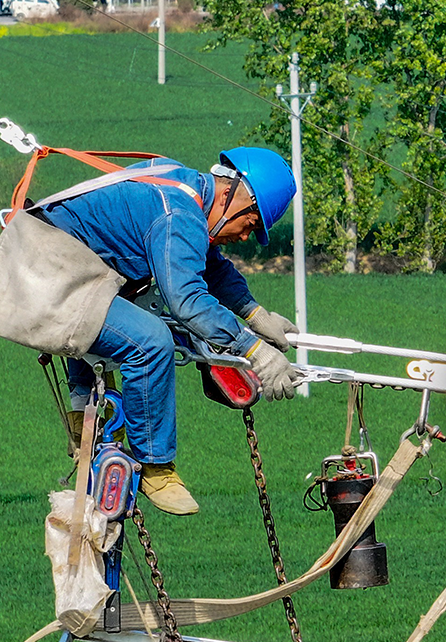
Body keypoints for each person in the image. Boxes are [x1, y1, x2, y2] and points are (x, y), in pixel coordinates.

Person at [43, 147, 301, 516]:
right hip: (49, 280)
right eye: (252, 223)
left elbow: (208, 264)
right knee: (151, 342)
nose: (246, 237)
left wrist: (256, 314)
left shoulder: (184, 189)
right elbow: (187, 300)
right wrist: (255, 351)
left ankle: (84, 424)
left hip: (68, 272)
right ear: (233, 193)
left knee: (130, 323)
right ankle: (155, 468)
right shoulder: (177, 213)